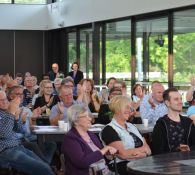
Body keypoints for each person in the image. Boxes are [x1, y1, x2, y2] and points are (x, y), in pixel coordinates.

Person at [0, 91, 54, 175]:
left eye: (5, 99)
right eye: (1, 100)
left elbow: (16, 129)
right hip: (5, 151)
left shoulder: (4, 113)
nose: (5, 101)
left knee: (45, 165)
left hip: (17, 146)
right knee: (44, 169)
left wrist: (17, 118)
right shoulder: (6, 113)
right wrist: (11, 113)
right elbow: (4, 134)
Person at [100, 95, 151, 175]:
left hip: (139, 163)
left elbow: (148, 149)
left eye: (130, 108)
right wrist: (142, 153)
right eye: (126, 107)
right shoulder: (109, 129)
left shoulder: (132, 126)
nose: (130, 111)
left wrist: (137, 154)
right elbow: (123, 154)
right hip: (121, 166)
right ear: (117, 109)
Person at [61, 104, 117, 175]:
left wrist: (108, 155)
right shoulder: (70, 139)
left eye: (89, 115)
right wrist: (103, 150)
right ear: (75, 121)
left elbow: (100, 154)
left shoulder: (91, 134)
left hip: (104, 171)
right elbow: (82, 162)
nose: (90, 119)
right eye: (85, 116)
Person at [151, 87, 195, 155]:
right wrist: (176, 152)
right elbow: (157, 151)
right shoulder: (161, 125)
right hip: (167, 163)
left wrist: (189, 149)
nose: (180, 102)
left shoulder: (189, 123)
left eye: (180, 99)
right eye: (176, 99)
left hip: (188, 162)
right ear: (167, 103)